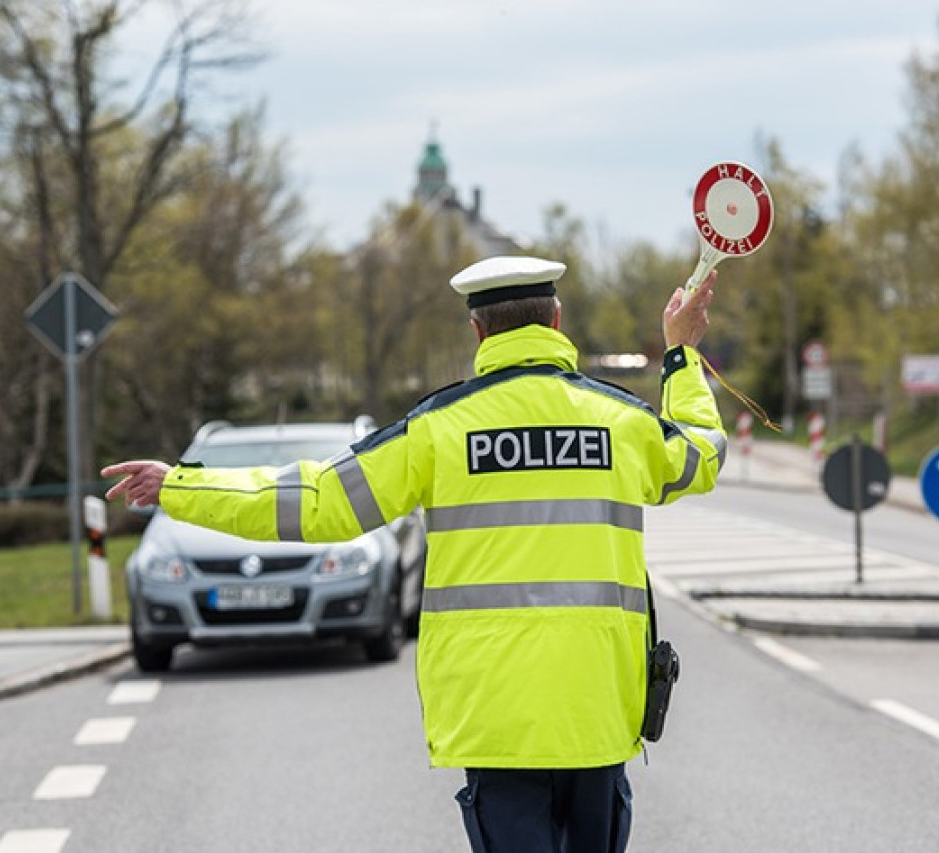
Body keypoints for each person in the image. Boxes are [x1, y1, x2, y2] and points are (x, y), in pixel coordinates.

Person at [103, 255, 726, 852]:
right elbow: (700, 454)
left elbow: (318, 501)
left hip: (496, 718)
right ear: (556, 321)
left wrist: (181, 485)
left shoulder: (437, 428)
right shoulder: (621, 422)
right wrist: (680, 352)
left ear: (477, 330)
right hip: (598, 710)